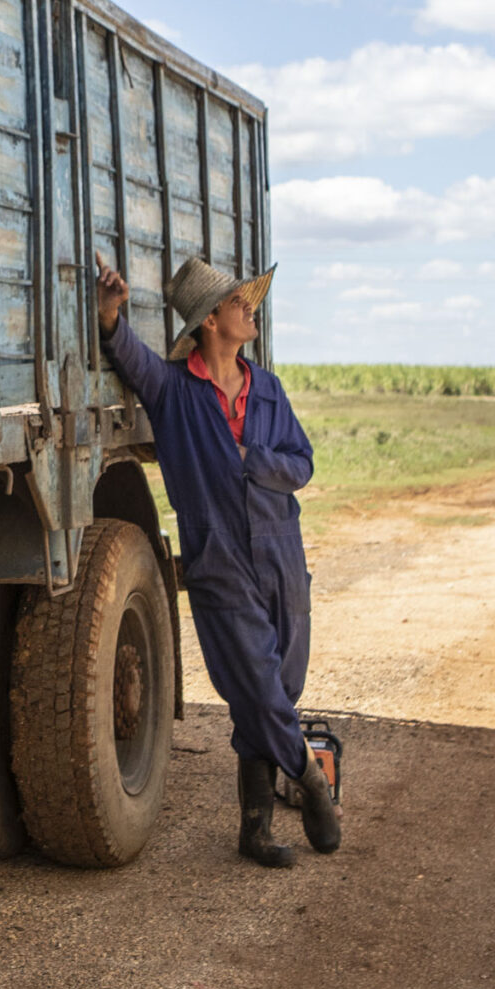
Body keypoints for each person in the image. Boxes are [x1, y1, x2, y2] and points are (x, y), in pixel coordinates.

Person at [95, 253, 341, 868]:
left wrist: (254, 460)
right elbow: (128, 355)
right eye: (238, 303)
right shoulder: (174, 392)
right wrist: (109, 316)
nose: (248, 309)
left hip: (282, 553)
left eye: (248, 301)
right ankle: (311, 780)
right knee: (258, 687)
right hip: (221, 561)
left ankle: (253, 830)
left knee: (280, 686)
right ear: (209, 321)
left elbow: (303, 464)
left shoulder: (269, 390)